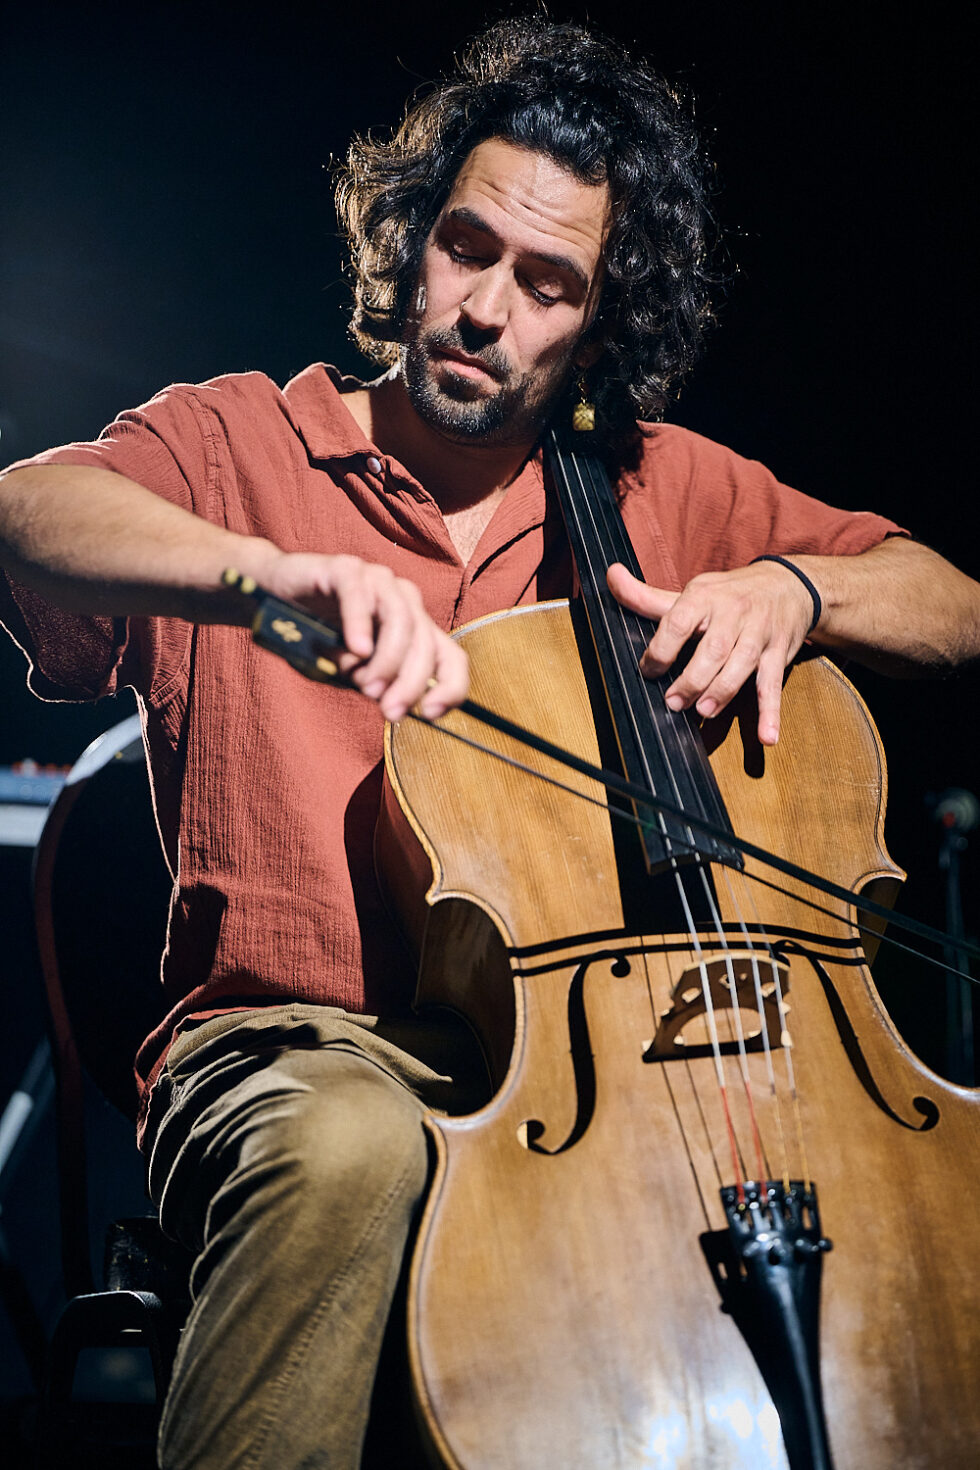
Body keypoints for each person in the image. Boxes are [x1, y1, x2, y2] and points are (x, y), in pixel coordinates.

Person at [1, 16, 978, 1469]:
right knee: (350, 1147)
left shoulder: (657, 487)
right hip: (299, 1048)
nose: (486, 311)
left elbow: (954, 600)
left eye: (546, 284)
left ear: (596, 315)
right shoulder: (240, 445)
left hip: (621, 1065)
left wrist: (792, 585)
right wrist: (259, 576)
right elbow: (26, 507)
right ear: (411, 238)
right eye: (467, 248)